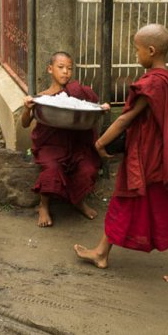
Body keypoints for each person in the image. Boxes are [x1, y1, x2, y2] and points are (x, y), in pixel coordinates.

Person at [74, 24, 168, 285]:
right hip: (145, 151)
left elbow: (124, 120)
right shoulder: (166, 78)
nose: (136, 55)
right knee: (124, 197)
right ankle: (101, 252)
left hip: (152, 158)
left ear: (152, 51)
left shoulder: (154, 83)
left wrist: (100, 143)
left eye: (137, 50)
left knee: (165, 207)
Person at [21, 52, 107, 227]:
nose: (65, 72)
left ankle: (78, 201)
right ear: (50, 69)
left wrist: (101, 108)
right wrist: (26, 108)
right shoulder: (42, 97)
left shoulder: (77, 93)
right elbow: (24, 124)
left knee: (88, 168)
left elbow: (92, 104)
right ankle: (44, 205)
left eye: (69, 68)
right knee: (52, 168)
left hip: (76, 144)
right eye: (61, 68)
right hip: (51, 146)